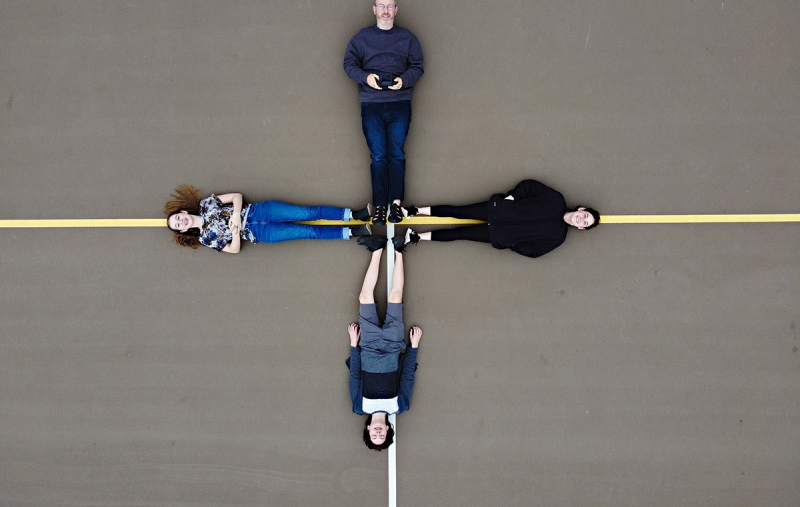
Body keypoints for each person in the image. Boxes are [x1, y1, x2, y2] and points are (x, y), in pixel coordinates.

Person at [343, 0, 424, 226]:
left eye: (390, 6)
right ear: (374, 9)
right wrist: (366, 78)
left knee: (397, 153)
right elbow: (348, 64)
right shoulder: (362, 38)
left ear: (396, 10)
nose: (386, 10)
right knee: (378, 156)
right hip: (371, 103)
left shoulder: (408, 38)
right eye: (382, 6)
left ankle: (396, 206)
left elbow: (418, 66)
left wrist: (404, 80)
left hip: (400, 103)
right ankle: (379, 207)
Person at [393, 179, 600, 258]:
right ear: (581, 209)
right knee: (457, 211)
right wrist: (512, 197)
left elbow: (535, 252)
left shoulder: (558, 237)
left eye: (585, 223)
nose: (581, 219)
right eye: (585, 216)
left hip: (498, 235)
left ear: (581, 228)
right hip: (497, 210)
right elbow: (531, 186)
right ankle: (413, 211)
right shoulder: (556, 199)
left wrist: (513, 243)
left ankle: (416, 237)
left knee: (459, 234)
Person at [346, 247, 422, 451]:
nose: (378, 433)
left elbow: (355, 376)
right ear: (388, 430)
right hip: (392, 344)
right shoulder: (399, 406)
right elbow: (407, 377)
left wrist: (354, 344)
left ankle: (377, 250)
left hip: (368, 344)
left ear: (369, 427)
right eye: (381, 436)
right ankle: (399, 252)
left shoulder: (360, 406)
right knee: (396, 297)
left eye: (374, 435)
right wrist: (413, 347)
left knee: (364, 297)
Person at [164, 184, 372, 254]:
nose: (180, 223)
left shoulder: (206, 204)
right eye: (177, 226)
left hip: (258, 212)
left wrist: (236, 214)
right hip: (259, 233)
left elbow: (236, 196)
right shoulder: (205, 239)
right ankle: (353, 231)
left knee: (308, 212)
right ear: (182, 231)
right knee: (308, 232)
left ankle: (354, 215)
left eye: (177, 219)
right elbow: (233, 249)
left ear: (183, 213)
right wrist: (236, 233)